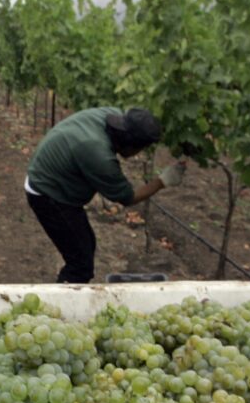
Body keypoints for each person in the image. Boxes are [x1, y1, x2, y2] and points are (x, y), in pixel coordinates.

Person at [24, 106, 185, 283]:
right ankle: (62, 297)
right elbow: (128, 197)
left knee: (86, 245)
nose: (138, 154)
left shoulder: (111, 115)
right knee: (80, 265)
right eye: (140, 149)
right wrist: (163, 181)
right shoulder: (99, 156)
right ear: (130, 145)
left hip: (51, 176)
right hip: (48, 194)